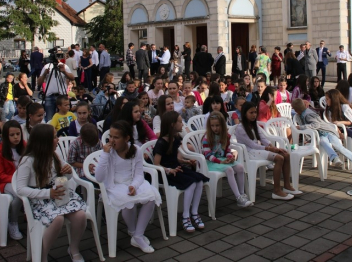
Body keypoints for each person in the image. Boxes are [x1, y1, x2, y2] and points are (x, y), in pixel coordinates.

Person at [16, 124, 87, 262]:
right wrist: (48, 193)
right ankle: (42, 256)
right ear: (44, 141)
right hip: (40, 198)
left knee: (80, 216)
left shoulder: (55, 154)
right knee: (58, 219)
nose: (58, 139)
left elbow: (62, 178)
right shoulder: (28, 160)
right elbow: (20, 189)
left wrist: (68, 173)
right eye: (55, 137)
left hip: (58, 194)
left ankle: (73, 249)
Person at [95, 120, 160, 253]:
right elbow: (99, 177)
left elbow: (139, 174)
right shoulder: (109, 152)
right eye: (110, 137)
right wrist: (105, 154)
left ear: (126, 138)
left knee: (151, 196)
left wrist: (134, 185)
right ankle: (132, 230)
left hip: (132, 182)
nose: (112, 140)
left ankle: (138, 234)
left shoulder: (135, 150)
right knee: (126, 201)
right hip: (115, 185)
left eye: (116, 137)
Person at [153, 111, 209, 232]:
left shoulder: (175, 138)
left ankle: (194, 212)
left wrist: (185, 162)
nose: (182, 124)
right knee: (191, 183)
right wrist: (169, 170)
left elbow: (175, 157)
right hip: (166, 173)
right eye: (180, 122)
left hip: (177, 168)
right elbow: (156, 164)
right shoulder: (162, 142)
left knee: (199, 180)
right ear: (172, 124)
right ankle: (185, 216)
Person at [234, 102, 301, 200]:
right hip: (249, 153)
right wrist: (271, 149)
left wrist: (272, 146)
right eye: (251, 113)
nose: (254, 115)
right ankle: (277, 191)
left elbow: (263, 138)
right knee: (279, 158)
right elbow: (252, 145)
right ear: (244, 114)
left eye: (255, 112)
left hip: (257, 151)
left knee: (285, 154)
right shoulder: (240, 128)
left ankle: (287, 185)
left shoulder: (254, 125)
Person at [293, 99, 352, 173]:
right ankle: (335, 158)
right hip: (321, 134)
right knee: (323, 141)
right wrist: (308, 138)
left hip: (328, 131)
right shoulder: (302, 114)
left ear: (297, 109)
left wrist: (301, 127)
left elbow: (316, 125)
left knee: (338, 147)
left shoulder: (308, 114)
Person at [203, 111, 252, 207]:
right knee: (229, 169)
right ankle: (238, 197)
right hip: (211, 162)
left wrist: (230, 157)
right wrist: (221, 161)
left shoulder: (225, 136)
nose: (215, 128)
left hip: (222, 159)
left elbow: (227, 150)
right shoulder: (206, 138)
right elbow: (207, 155)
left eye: (217, 125)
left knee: (240, 168)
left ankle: (242, 194)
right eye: (212, 126)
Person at [0, 120, 26, 240]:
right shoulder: (0, 151)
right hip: (4, 182)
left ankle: (34, 218)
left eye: (18, 134)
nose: (16, 137)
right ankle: (13, 222)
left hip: (21, 179)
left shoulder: (24, 145)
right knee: (19, 194)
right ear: (5, 136)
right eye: (12, 135)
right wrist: (16, 180)